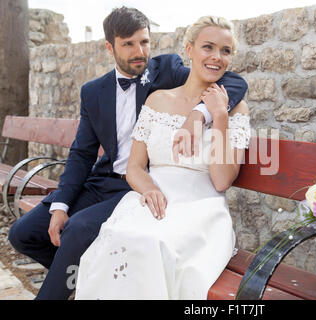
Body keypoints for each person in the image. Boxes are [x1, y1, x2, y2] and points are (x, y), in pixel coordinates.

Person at [7, 7, 247, 300]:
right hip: (110, 182)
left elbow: (233, 80)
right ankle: (86, 278)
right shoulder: (95, 91)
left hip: (148, 190)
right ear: (110, 46)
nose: (139, 51)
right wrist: (60, 205)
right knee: (23, 233)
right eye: (128, 43)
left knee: (79, 230)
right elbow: (81, 154)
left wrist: (202, 114)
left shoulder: (167, 71)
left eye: (144, 42)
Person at [74, 15, 250, 300]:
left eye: (225, 51)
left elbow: (221, 181)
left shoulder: (234, 108)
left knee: (153, 242)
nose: (217, 57)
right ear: (189, 50)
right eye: (208, 47)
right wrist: (149, 189)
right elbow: (134, 168)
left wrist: (218, 116)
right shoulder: (157, 100)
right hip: (153, 199)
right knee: (117, 240)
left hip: (200, 208)